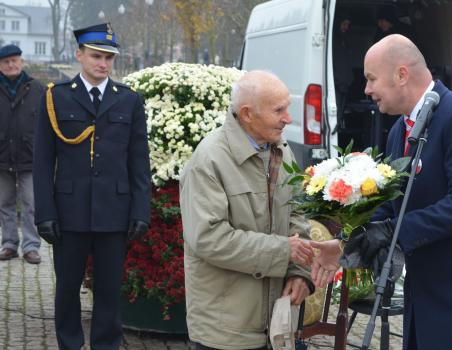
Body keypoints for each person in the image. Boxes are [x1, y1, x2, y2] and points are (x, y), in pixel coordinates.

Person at [311, 34, 452, 349]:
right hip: (428, 298)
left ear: (401, 75)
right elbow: (394, 206)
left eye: (371, 78)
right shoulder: (400, 131)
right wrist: (347, 245)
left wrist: (391, 232)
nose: (366, 90)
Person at [33, 23, 151, 349]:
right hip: (69, 213)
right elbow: (42, 162)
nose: (103, 64)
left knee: (110, 290)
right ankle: (69, 344)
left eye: (108, 58)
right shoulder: (55, 97)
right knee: (67, 289)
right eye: (96, 56)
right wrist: (44, 212)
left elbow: (139, 162)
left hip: (114, 212)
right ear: (79, 55)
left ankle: (106, 345)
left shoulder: (128, 101)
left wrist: (141, 210)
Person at [180, 70, 315, 350]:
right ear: (247, 114)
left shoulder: (281, 150)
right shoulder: (209, 160)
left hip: (274, 324)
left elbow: (298, 213)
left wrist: (299, 272)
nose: (289, 118)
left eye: (287, 107)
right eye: (279, 110)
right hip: (226, 329)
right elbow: (209, 239)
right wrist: (283, 251)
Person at [0, 44, 44, 264]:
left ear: (21, 62)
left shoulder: (37, 89)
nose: (11, 65)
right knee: (4, 203)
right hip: (1, 156)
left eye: (15, 60)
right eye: (6, 62)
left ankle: (31, 246)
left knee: (31, 204)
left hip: (30, 156)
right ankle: (8, 244)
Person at [333, 15, 353, 130]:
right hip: (336, 85)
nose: (346, 27)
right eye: (344, 24)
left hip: (344, 84)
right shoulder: (333, 40)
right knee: (335, 116)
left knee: (339, 117)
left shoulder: (344, 40)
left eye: (348, 25)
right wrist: (338, 80)